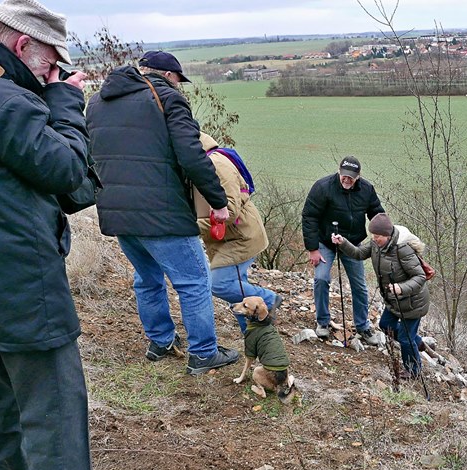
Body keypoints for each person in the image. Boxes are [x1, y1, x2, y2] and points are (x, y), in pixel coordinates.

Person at [0, 0, 127, 470]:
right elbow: (67, 169)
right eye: (51, 65)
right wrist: (66, 104)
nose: (53, 76)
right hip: (17, 274)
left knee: (3, 387)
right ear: (21, 45)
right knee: (52, 397)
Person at [87, 50, 239, 375]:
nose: (180, 86)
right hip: (160, 212)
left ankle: (160, 341)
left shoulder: (97, 102)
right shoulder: (168, 98)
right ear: (168, 75)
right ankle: (203, 353)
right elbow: (192, 154)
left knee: (147, 278)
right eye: (178, 80)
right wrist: (219, 201)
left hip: (116, 211)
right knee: (194, 280)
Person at [197, 132, 282, 334]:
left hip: (240, 237)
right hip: (226, 238)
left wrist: (190, 226)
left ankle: (269, 299)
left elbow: (228, 210)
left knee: (220, 284)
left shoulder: (217, 164)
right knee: (238, 290)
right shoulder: (202, 164)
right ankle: (254, 335)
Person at [331, 213, 429, 377]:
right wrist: (343, 243)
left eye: (378, 236)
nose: (374, 239)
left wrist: (401, 288)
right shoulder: (377, 245)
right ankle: (417, 342)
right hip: (394, 299)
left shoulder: (403, 249)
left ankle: (414, 370)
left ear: (388, 235)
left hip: (412, 302)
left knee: (405, 339)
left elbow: (420, 277)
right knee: (385, 325)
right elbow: (359, 253)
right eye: (373, 236)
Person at [302, 156, 384, 343]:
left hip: (352, 243)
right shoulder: (323, 187)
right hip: (325, 242)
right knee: (321, 279)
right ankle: (322, 322)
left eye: (351, 177)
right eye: (344, 176)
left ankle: (363, 327)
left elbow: (377, 213)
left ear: (358, 177)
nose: (347, 180)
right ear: (339, 172)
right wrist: (313, 249)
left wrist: (384, 234)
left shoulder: (367, 189)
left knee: (359, 286)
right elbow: (309, 217)